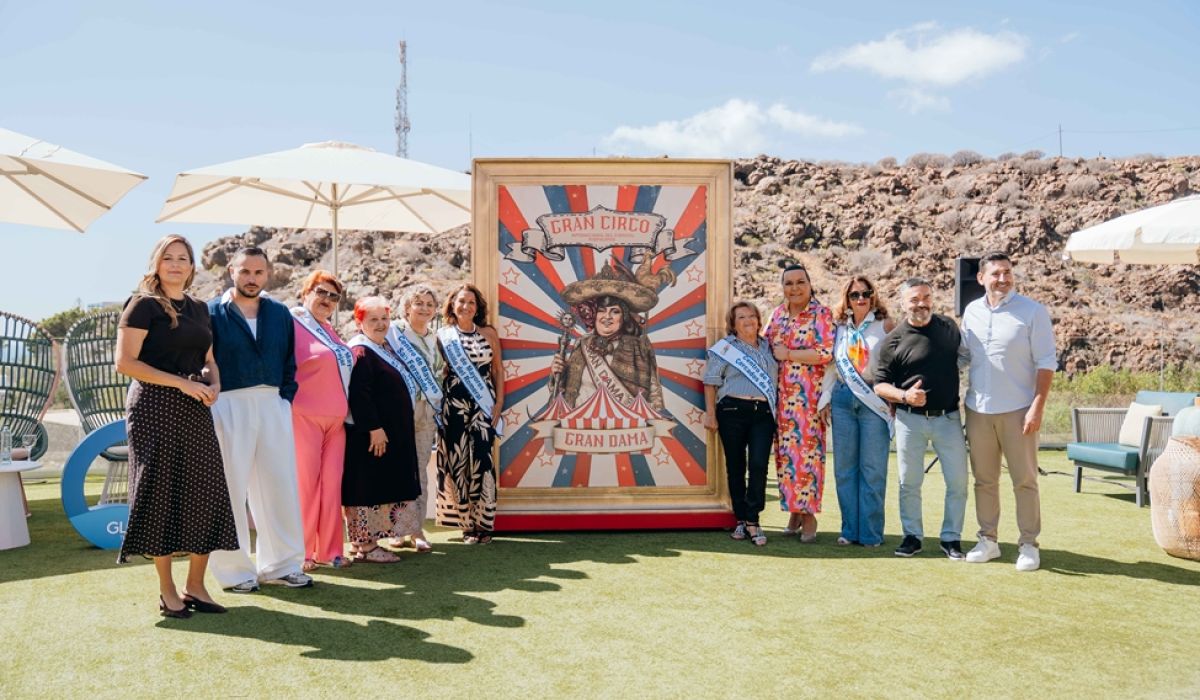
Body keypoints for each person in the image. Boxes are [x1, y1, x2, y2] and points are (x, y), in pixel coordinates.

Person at [114, 234, 238, 618]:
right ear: (156, 263)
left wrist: (214, 384)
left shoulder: (199, 308)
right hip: (153, 407)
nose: (175, 264)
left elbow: (209, 359)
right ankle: (167, 590)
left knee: (205, 491)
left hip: (195, 407)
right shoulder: (142, 305)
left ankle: (196, 586)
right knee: (161, 494)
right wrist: (182, 384)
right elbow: (125, 363)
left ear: (191, 266)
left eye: (182, 258)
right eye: (168, 257)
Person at [207, 248, 313, 593]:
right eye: (245, 271)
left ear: (267, 274)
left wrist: (284, 400)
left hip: (272, 404)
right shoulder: (211, 312)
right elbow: (202, 361)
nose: (252, 278)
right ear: (231, 271)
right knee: (229, 489)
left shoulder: (280, 313)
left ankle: (282, 566)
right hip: (228, 404)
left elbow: (289, 361)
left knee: (279, 486)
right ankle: (235, 572)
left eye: (258, 272)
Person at [961, 251, 1056, 572]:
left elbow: (1046, 362)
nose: (1003, 279)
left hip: (1019, 411)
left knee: (1025, 481)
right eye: (996, 273)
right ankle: (988, 540)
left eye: (1007, 272)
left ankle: (1028, 544)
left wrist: (1037, 408)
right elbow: (964, 357)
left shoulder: (1033, 312)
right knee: (984, 481)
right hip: (978, 410)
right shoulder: (971, 311)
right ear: (981, 278)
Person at [872, 278, 970, 559]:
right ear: (903, 303)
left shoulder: (948, 327)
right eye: (914, 299)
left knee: (958, 483)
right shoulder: (893, 341)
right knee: (909, 483)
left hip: (948, 418)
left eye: (926, 297)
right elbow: (880, 385)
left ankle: (951, 538)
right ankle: (912, 537)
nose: (921, 304)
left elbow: (961, 358)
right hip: (909, 420)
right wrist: (904, 396)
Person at [342, 297, 423, 563]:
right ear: (360, 322)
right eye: (373, 319)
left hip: (388, 435)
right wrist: (374, 428)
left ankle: (362, 543)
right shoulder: (362, 351)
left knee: (379, 486)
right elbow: (360, 395)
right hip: (371, 436)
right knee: (367, 488)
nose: (380, 324)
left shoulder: (382, 348)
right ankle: (366, 546)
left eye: (384, 319)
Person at [818, 275, 896, 548]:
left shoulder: (886, 325)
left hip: (873, 398)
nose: (861, 298)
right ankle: (849, 530)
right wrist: (825, 399)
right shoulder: (838, 327)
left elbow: (896, 363)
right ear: (847, 299)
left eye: (866, 293)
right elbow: (831, 366)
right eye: (855, 295)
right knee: (845, 470)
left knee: (872, 469)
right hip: (842, 398)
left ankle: (871, 534)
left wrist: (894, 396)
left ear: (873, 295)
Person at [763, 263, 834, 542]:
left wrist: (790, 354)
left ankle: (809, 515)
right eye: (789, 283)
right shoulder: (777, 315)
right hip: (779, 401)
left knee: (808, 457)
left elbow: (826, 352)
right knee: (785, 458)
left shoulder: (821, 314)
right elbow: (765, 347)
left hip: (809, 399)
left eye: (800, 282)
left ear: (810, 284)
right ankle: (794, 511)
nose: (794, 288)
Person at [291, 270, 353, 571]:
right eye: (321, 292)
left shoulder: (331, 331)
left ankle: (329, 551)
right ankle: (301, 553)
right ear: (306, 293)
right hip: (304, 416)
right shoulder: (292, 323)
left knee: (331, 487)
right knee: (306, 487)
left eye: (333, 296)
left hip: (336, 422)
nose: (327, 299)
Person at [703, 301, 778, 546]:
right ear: (733, 324)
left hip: (763, 413)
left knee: (758, 465)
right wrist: (711, 414)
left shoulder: (769, 346)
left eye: (752, 316)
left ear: (758, 319)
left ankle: (753, 518)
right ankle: (742, 519)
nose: (748, 321)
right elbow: (711, 381)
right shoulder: (725, 348)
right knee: (736, 467)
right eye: (742, 317)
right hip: (732, 410)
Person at [554, 259, 672, 412]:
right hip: (582, 423)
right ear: (594, 315)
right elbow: (564, 392)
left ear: (624, 317)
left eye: (615, 312)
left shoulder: (639, 347)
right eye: (602, 311)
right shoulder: (581, 344)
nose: (607, 317)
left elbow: (654, 397)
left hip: (623, 425)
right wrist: (559, 372)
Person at [436, 284, 504, 544]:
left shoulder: (488, 333)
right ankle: (466, 525)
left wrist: (499, 403)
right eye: (461, 301)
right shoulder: (443, 335)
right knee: (458, 460)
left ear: (478, 308)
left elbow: (497, 370)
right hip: (453, 405)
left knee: (483, 460)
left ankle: (484, 524)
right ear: (452, 305)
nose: (466, 306)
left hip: (484, 404)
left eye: (471, 302)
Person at [383, 284, 443, 551]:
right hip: (399, 409)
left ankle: (417, 529)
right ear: (407, 307)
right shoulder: (394, 333)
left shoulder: (434, 338)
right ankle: (397, 528)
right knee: (398, 468)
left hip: (425, 410)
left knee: (420, 470)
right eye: (419, 303)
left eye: (430, 304)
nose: (424, 308)